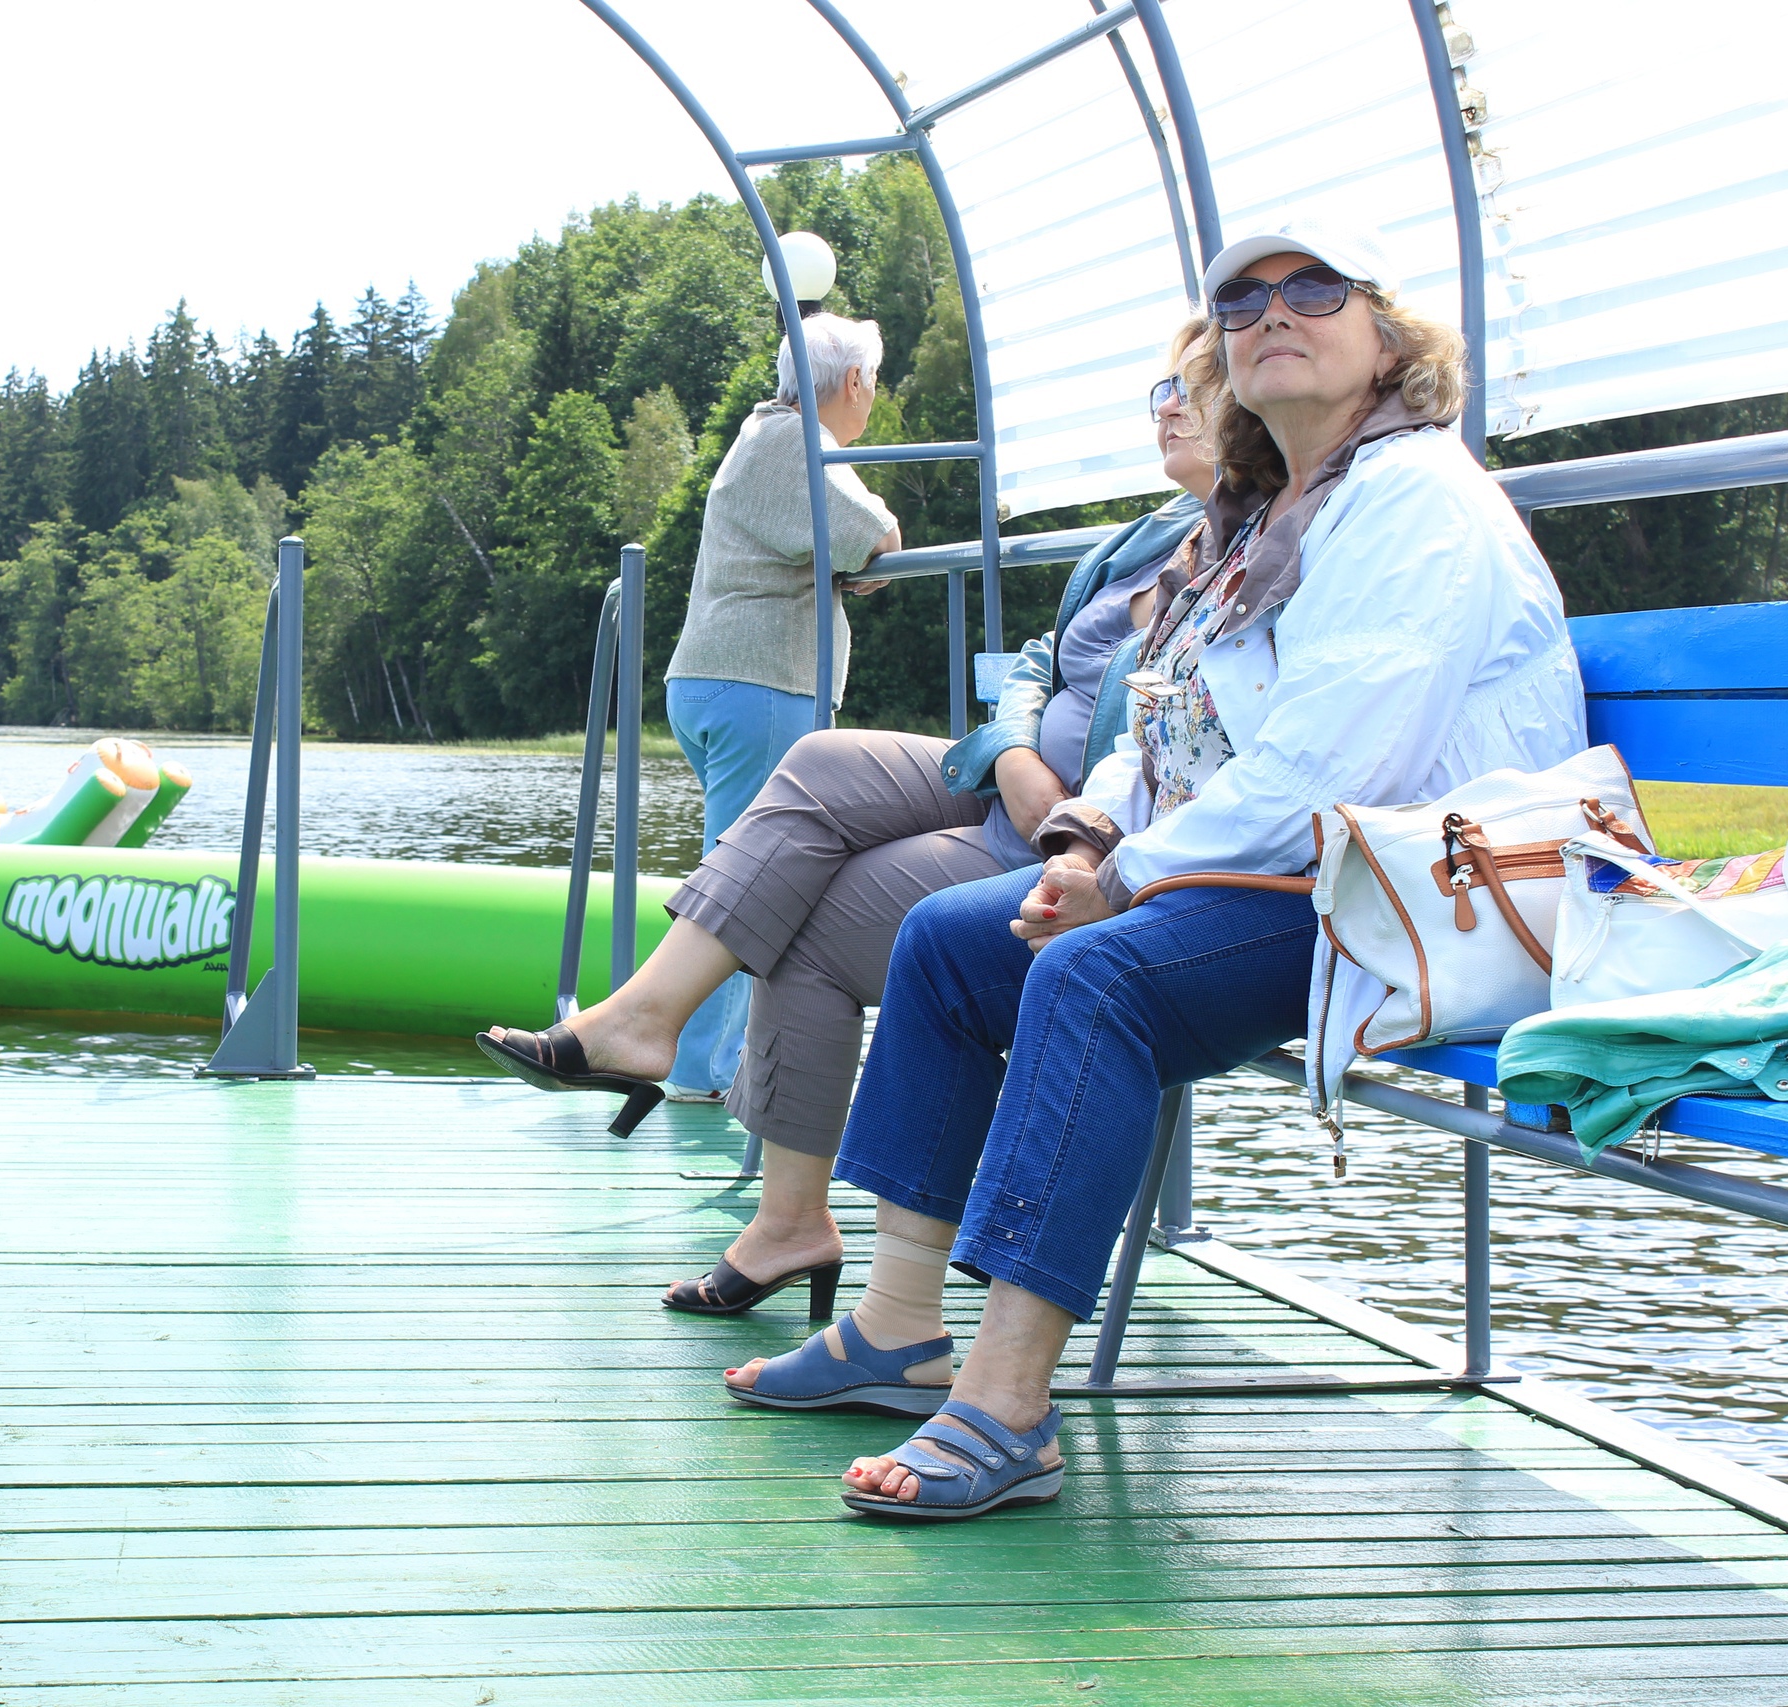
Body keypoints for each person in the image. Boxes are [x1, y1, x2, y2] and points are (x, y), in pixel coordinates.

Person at [725, 220, 1585, 1523]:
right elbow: (1166, 726)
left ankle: (1008, 1402)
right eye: (1241, 301)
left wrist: (1126, 884)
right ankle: (899, 1327)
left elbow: (1329, 769)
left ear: (1388, 339)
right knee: (951, 940)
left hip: (1413, 899)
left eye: (1314, 288)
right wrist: (1084, 839)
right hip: (1299, 878)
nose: (1272, 312)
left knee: (1092, 977)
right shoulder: (1264, 516)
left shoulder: (1414, 499)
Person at [479, 316, 1219, 1320]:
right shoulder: (1146, 537)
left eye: (1190, 390)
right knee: (819, 763)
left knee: (808, 915)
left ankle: (782, 1211)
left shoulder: (1253, 545)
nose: (1167, 408)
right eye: (1160, 391)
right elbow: (1038, 661)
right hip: (1010, 781)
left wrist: (1076, 817)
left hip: (1086, 831)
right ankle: (646, 1022)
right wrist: (1010, 750)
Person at [661, 311, 899, 1100]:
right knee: (748, 884)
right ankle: (703, 1065)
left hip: (719, 678)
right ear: (854, 381)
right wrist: (871, 550)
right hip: (763, 683)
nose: (874, 394)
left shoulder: (763, 436)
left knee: (740, 868)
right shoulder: (800, 444)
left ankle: (713, 1057)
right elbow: (873, 536)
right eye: (874, 379)